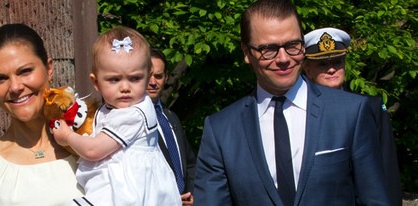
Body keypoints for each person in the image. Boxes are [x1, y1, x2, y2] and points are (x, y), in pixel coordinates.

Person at [194, 0, 391, 205]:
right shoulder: (221, 130)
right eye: (268, 49)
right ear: (246, 52)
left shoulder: (350, 113)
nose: (284, 59)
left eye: (292, 46)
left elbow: (375, 199)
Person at [0, 23, 84, 205]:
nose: (15, 87)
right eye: (0, 79)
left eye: (25, 71)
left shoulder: (96, 142)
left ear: (49, 68)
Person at [52, 26, 181, 205]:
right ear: (96, 82)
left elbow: (93, 150)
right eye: (114, 80)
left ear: (148, 77)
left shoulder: (133, 114)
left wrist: (67, 136)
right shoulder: (118, 108)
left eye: (135, 78)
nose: (125, 87)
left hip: (128, 188)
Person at [303, 27, 402, 205]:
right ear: (307, 69)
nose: (332, 69)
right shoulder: (297, 110)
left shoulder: (369, 107)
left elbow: (386, 168)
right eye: (323, 64)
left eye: (337, 62)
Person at [147, 47, 196, 205]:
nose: (153, 82)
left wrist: (193, 193)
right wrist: (171, 199)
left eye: (158, 76)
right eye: (148, 76)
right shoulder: (131, 121)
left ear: (166, 77)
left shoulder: (171, 117)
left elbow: (190, 163)